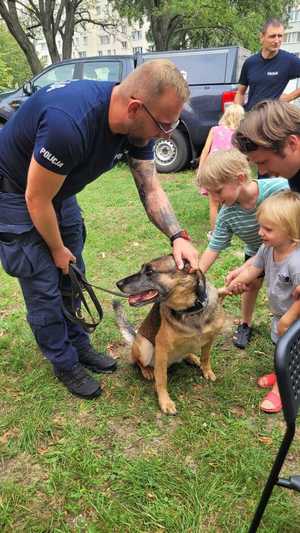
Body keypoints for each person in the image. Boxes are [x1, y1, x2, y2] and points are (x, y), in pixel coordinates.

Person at [0, 59, 199, 399]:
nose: (167, 134)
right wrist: (56, 248)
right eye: (164, 126)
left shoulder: (137, 125)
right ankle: (64, 363)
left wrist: (177, 235)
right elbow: (35, 199)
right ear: (136, 107)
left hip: (57, 195)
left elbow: (150, 187)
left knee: (74, 274)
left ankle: (79, 345)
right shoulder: (69, 123)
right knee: (45, 287)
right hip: (18, 196)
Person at [196, 148, 289, 349]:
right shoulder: (226, 214)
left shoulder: (280, 189)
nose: (215, 198)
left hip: (288, 251)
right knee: (251, 286)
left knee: (287, 287)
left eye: (218, 191)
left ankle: (289, 322)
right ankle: (245, 323)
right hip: (256, 253)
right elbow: (214, 247)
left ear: (239, 178)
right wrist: (196, 274)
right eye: (210, 193)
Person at [226, 191, 300, 413]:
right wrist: (237, 281)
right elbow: (254, 268)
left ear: (291, 232)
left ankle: (282, 388)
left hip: (295, 320)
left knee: (291, 352)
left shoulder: (297, 261)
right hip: (281, 316)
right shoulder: (268, 248)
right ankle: (281, 373)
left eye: (268, 229)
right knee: (279, 346)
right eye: (261, 226)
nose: (260, 233)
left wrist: (289, 317)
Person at [196, 104, 244, 238]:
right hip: (229, 171)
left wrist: (201, 169)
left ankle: (215, 233)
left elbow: (205, 150)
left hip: (212, 170)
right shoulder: (239, 135)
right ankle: (234, 230)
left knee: (213, 204)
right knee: (231, 202)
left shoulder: (214, 130)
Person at [234, 17, 300, 111]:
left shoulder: (289, 60)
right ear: (262, 37)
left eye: (280, 36)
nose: (277, 41)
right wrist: (237, 112)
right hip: (251, 118)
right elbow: (240, 93)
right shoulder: (250, 62)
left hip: (273, 121)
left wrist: (289, 98)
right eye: (272, 36)